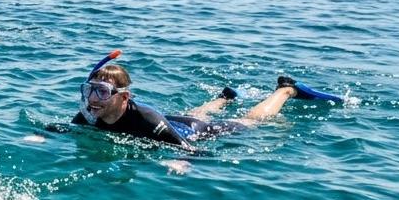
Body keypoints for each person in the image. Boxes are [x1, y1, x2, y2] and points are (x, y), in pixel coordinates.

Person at [67, 51, 342, 148]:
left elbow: (188, 148)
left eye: (102, 92)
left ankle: (286, 89)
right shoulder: (92, 112)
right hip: (179, 121)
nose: (93, 98)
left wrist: (182, 161)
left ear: (123, 97)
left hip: (191, 133)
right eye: (89, 90)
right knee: (195, 113)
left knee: (250, 121)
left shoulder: (146, 117)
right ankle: (224, 97)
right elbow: (68, 128)